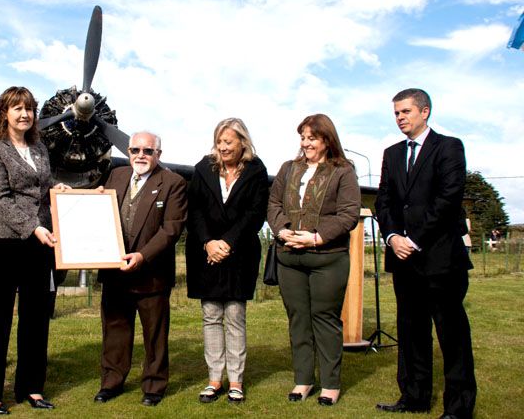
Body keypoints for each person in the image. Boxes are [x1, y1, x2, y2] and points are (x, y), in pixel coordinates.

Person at [375, 88, 476, 418]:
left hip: (440, 258)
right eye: (396, 113)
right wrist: (391, 236)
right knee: (411, 331)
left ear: (425, 111)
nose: (400, 118)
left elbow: (447, 200)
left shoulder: (448, 147)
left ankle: (458, 407)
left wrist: (413, 239)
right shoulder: (391, 154)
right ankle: (414, 397)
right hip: (403, 261)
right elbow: (384, 202)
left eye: (405, 111)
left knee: (451, 334)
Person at [0, 86, 67, 415]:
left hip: (38, 244)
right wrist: (33, 226)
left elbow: (42, 185)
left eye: (29, 108)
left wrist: (61, 189)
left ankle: (31, 387)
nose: (24, 114)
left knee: (36, 318)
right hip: (2, 242)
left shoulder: (39, 148)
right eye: (17, 108)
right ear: (4, 113)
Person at [267, 114, 360, 407]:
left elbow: (349, 214)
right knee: (298, 320)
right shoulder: (288, 168)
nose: (306, 143)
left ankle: (330, 384)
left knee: (325, 320)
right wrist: (282, 231)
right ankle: (303, 380)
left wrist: (316, 237)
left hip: (327, 258)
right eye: (303, 137)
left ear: (327, 140)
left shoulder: (344, 171)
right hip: (289, 257)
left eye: (312, 137)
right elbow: (273, 203)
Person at [94, 131, 187, 407]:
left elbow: (171, 228)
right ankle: (111, 383)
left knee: (155, 336)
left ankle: (154, 387)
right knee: (114, 331)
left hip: (152, 274)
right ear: (129, 152)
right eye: (135, 150)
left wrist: (143, 255)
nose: (140, 156)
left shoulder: (173, 183)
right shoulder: (116, 176)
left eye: (148, 151)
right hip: (115, 272)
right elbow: (100, 210)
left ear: (158, 154)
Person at [185, 118, 268, 404]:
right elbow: (193, 210)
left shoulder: (256, 170)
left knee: (234, 316)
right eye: (219, 142)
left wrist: (228, 243)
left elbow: (255, 213)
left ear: (242, 142)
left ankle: (236, 381)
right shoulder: (202, 168)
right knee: (210, 317)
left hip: (240, 254)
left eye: (228, 142)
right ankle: (214, 380)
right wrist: (209, 243)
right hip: (205, 254)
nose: (222, 147)